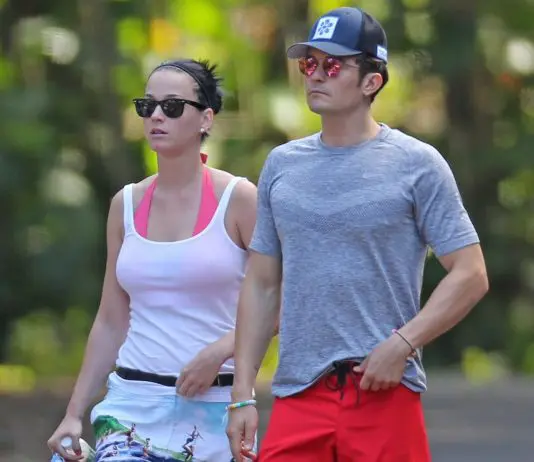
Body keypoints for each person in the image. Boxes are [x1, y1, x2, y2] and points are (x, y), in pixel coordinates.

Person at [226, 6, 489, 462]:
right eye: (309, 63)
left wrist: (403, 344)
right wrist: (242, 394)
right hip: (298, 395)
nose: (315, 74)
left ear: (372, 81)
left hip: (384, 390)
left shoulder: (417, 164)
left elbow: (470, 273)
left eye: (332, 65)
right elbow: (262, 284)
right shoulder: (281, 165)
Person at [47, 58, 257, 462]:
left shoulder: (240, 200)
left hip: (215, 410)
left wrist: (221, 350)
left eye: (172, 106)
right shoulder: (125, 204)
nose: (157, 115)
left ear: (206, 118)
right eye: (148, 106)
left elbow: (279, 300)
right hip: (131, 407)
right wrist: (73, 413)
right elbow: (111, 319)